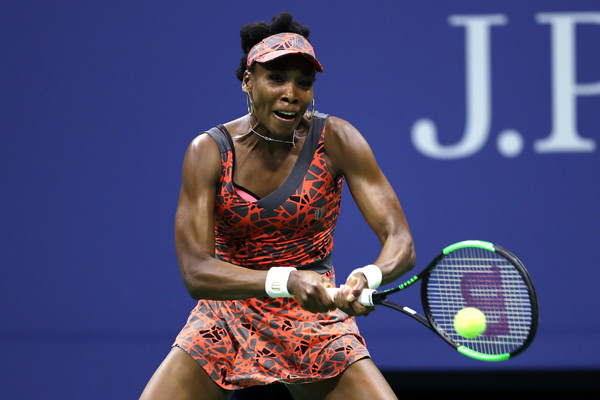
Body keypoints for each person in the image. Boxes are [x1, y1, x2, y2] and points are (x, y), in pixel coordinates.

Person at [140, 11, 415, 400]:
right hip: (226, 316)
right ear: (248, 82)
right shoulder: (209, 152)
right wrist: (286, 280)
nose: (291, 93)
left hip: (313, 318)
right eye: (277, 79)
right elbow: (196, 272)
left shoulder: (337, 139)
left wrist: (369, 276)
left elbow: (399, 239)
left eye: (304, 83)